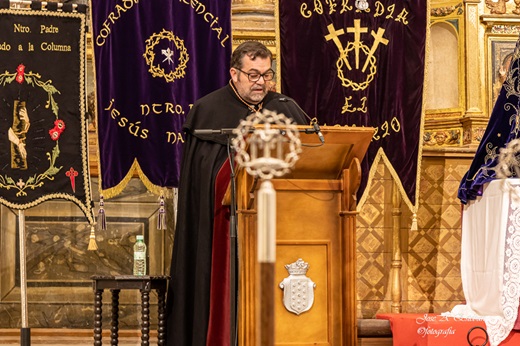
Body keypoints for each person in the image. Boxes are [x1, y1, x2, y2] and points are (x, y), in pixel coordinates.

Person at [165, 41, 309, 346]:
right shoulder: (208, 110)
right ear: (235, 73)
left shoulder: (285, 107)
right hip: (226, 223)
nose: (261, 83)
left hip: (282, 224)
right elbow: (204, 173)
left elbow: (310, 158)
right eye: (253, 75)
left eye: (267, 75)